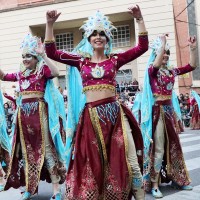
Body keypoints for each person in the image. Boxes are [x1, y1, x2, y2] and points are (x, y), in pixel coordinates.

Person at [45, 5, 148, 200]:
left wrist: (139, 19)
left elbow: (142, 47)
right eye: (94, 34)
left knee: (132, 162)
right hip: (91, 118)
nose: (98, 36)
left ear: (107, 38)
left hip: (115, 116)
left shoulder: (115, 59)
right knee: (95, 165)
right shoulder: (81, 61)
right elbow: (52, 53)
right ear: (88, 39)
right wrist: (50, 24)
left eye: (102, 33)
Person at [0, 34, 66, 200]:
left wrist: (44, 54)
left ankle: (56, 191)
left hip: (40, 114)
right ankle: (29, 189)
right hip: (24, 117)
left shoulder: (42, 70)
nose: (25, 59)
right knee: (26, 153)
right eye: (23, 56)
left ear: (36, 58)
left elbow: (56, 72)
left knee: (47, 151)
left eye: (28, 56)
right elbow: (3, 76)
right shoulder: (21, 74)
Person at [141, 34, 196, 198]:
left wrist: (193, 48)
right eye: (162, 52)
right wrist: (163, 43)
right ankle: (155, 184)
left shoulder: (172, 71)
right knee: (158, 148)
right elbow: (157, 63)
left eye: (167, 53)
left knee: (175, 146)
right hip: (157, 112)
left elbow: (192, 65)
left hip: (169, 112)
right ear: (156, 53)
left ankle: (178, 179)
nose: (165, 55)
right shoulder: (152, 69)